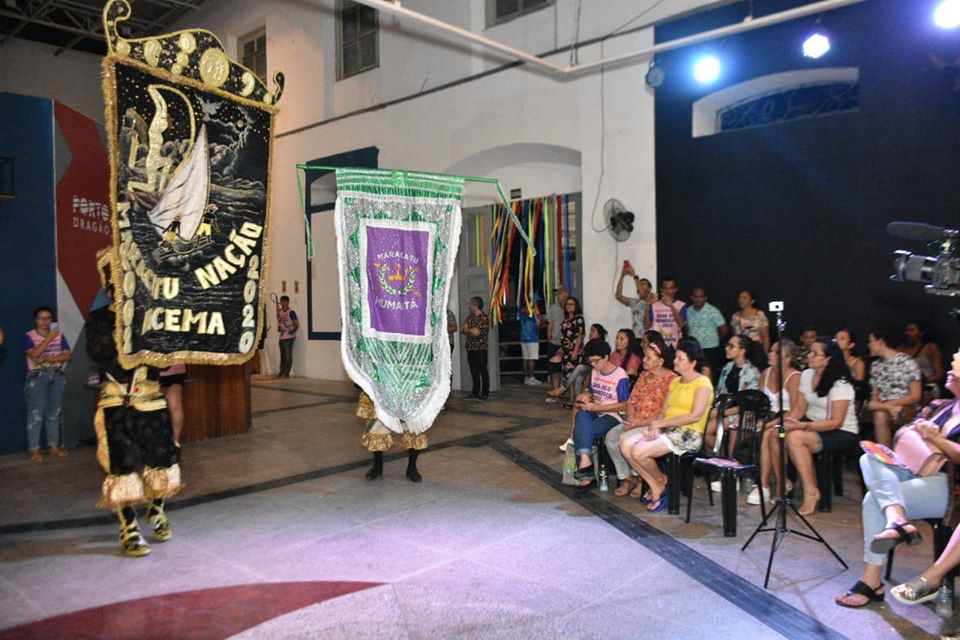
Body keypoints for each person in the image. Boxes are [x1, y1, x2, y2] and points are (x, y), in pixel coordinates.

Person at [835, 353, 960, 609]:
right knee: (868, 457)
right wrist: (916, 428)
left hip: (946, 483)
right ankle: (897, 519)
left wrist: (935, 439)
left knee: (873, 500)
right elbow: (904, 434)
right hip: (912, 467)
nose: (949, 368)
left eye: (956, 365)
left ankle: (871, 581)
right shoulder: (941, 405)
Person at [86, 251, 182, 557]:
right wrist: (126, 327)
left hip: (151, 401)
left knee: (161, 460)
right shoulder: (100, 319)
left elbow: (164, 361)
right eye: (118, 281)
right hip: (117, 403)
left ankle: (156, 508)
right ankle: (128, 527)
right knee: (123, 465)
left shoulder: (152, 315)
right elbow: (100, 352)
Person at [621, 337, 714, 513]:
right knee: (626, 445)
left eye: (680, 358)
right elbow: (664, 410)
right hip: (667, 429)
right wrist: (656, 426)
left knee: (639, 451)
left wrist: (661, 423)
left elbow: (695, 416)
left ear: (693, 363)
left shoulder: (702, 383)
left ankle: (658, 486)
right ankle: (658, 482)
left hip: (688, 434)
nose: (675, 361)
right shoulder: (675, 382)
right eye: (676, 357)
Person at [783, 337, 859, 515]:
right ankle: (784, 484)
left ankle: (811, 491)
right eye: (810, 352)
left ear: (828, 359)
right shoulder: (807, 374)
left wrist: (803, 426)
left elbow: (836, 422)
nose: (809, 355)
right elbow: (799, 408)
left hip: (841, 431)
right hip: (812, 424)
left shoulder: (840, 384)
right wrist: (784, 423)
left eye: (815, 353)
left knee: (795, 438)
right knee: (775, 433)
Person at [610, 335, 677, 497]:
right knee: (611, 437)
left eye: (648, 358)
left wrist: (638, 424)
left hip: (651, 424)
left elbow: (664, 413)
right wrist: (631, 419)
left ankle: (642, 479)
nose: (644, 360)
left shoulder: (672, 380)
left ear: (660, 361)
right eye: (644, 356)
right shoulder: (643, 376)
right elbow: (631, 401)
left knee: (627, 439)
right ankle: (627, 478)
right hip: (634, 421)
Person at [569, 339, 631, 485]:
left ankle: (586, 473)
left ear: (606, 357)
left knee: (582, 430)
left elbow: (624, 405)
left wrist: (598, 408)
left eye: (596, 361)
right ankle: (586, 463)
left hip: (613, 415)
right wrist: (586, 397)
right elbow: (592, 392)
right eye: (590, 361)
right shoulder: (595, 372)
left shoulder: (620, 376)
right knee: (581, 415)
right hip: (596, 410)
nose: (593, 365)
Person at [749, 339, 802, 505]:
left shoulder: (794, 377)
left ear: (788, 358)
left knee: (768, 434)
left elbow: (795, 410)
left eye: (776, 352)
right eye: (771, 351)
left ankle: (766, 484)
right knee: (759, 432)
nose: (771, 354)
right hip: (767, 416)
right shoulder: (765, 373)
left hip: (787, 417)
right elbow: (759, 402)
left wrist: (770, 423)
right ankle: (770, 484)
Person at [704, 334, 763, 483]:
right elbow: (720, 393)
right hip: (725, 410)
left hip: (743, 413)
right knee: (704, 427)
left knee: (711, 429)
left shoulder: (752, 372)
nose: (727, 348)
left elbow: (749, 402)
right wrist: (715, 409)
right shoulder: (727, 368)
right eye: (727, 345)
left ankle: (728, 466)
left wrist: (721, 413)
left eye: (731, 346)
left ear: (742, 350)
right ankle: (724, 464)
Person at [23, 306, 71, 462]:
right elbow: (34, 356)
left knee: (54, 413)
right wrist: (48, 339)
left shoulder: (60, 336)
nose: (44, 322)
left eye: (48, 318)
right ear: (35, 320)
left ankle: (54, 446)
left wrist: (49, 359)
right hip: (37, 377)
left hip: (56, 375)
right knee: (36, 414)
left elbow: (67, 356)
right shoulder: (29, 336)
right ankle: (34, 449)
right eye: (41, 318)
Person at [868, 326, 922, 448]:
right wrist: (887, 406)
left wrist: (891, 404)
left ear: (880, 341)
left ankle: (886, 454)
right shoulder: (875, 365)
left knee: (880, 414)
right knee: (876, 410)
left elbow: (915, 395)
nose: (869, 345)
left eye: (871, 341)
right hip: (884, 406)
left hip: (906, 406)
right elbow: (874, 395)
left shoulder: (907, 363)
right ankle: (885, 453)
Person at [547, 321, 600, 405]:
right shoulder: (588, 344)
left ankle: (563, 388)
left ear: (599, 334)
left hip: (594, 368)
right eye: (590, 331)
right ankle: (576, 401)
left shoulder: (600, 345)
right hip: (587, 367)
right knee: (578, 378)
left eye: (593, 331)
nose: (590, 333)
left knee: (579, 368)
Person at [686, 287, 728, 379]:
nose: (698, 299)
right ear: (691, 297)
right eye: (695, 296)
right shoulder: (688, 311)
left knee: (709, 375)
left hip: (710, 349)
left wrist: (714, 340)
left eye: (701, 297)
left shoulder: (713, 311)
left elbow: (724, 330)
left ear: (705, 298)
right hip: (694, 349)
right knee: (694, 375)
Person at [899, 320, 945, 400]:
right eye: (906, 330)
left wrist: (919, 382)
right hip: (905, 387)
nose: (908, 333)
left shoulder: (930, 348)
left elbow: (939, 374)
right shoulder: (900, 349)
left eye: (912, 330)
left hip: (927, 385)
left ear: (921, 333)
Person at [644, 276, 685, 348]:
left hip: (675, 344)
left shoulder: (681, 305)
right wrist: (647, 306)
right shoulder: (654, 305)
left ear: (675, 289)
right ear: (661, 289)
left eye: (670, 288)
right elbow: (646, 326)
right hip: (658, 344)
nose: (667, 291)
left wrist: (671, 306)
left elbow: (681, 324)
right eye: (665, 288)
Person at [461, 296, 489, 401]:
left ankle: (485, 393)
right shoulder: (470, 317)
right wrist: (470, 330)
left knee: (483, 371)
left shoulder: (483, 318)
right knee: (474, 372)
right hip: (470, 348)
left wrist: (468, 329)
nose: (469, 306)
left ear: (475, 305)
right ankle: (475, 392)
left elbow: (477, 333)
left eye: (470, 304)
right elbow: (462, 329)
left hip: (480, 349)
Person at [615, 262, 652, 336]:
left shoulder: (653, 301)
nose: (639, 286)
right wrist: (622, 275)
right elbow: (618, 296)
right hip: (635, 336)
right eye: (639, 285)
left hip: (647, 338)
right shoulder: (635, 302)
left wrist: (634, 275)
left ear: (649, 289)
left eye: (643, 284)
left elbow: (648, 325)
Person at [729, 290, 770, 354]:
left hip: (757, 351)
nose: (741, 300)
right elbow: (734, 336)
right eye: (740, 298)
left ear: (752, 301)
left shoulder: (759, 315)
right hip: (740, 352)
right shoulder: (735, 317)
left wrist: (764, 354)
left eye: (744, 298)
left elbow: (766, 337)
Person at [545, 286, 568, 390]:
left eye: (560, 293)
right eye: (557, 294)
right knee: (554, 369)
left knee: (567, 369)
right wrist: (549, 336)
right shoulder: (553, 308)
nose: (558, 296)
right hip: (554, 342)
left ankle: (565, 390)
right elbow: (550, 323)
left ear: (565, 294)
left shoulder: (570, 307)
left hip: (567, 343)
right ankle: (556, 391)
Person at [160, 364, 187, 444]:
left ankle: (157, 443)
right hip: (176, 367)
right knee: (176, 407)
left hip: (152, 367)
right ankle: (175, 442)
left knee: (154, 406)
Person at [518, 301, 542, 386]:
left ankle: (526, 378)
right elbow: (538, 324)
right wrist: (538, 315)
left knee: (525, 359)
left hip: (523, 338)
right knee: (531, 359)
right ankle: (531, 377)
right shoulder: (532, 313)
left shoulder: (521, 312)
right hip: (532, 338)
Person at [276, 295, 299, 378]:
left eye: (284, 302)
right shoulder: (280, 312)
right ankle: (281, 371)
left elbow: (296, 324)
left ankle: (286, 372)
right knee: (282, 356)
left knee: (288, 356)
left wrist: (292, 331)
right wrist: (279, 328)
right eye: (281, 301)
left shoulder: (291, 312)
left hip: (289, 338)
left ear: (287, 302)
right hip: (281, 337)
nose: (282, 303)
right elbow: (279, 323)